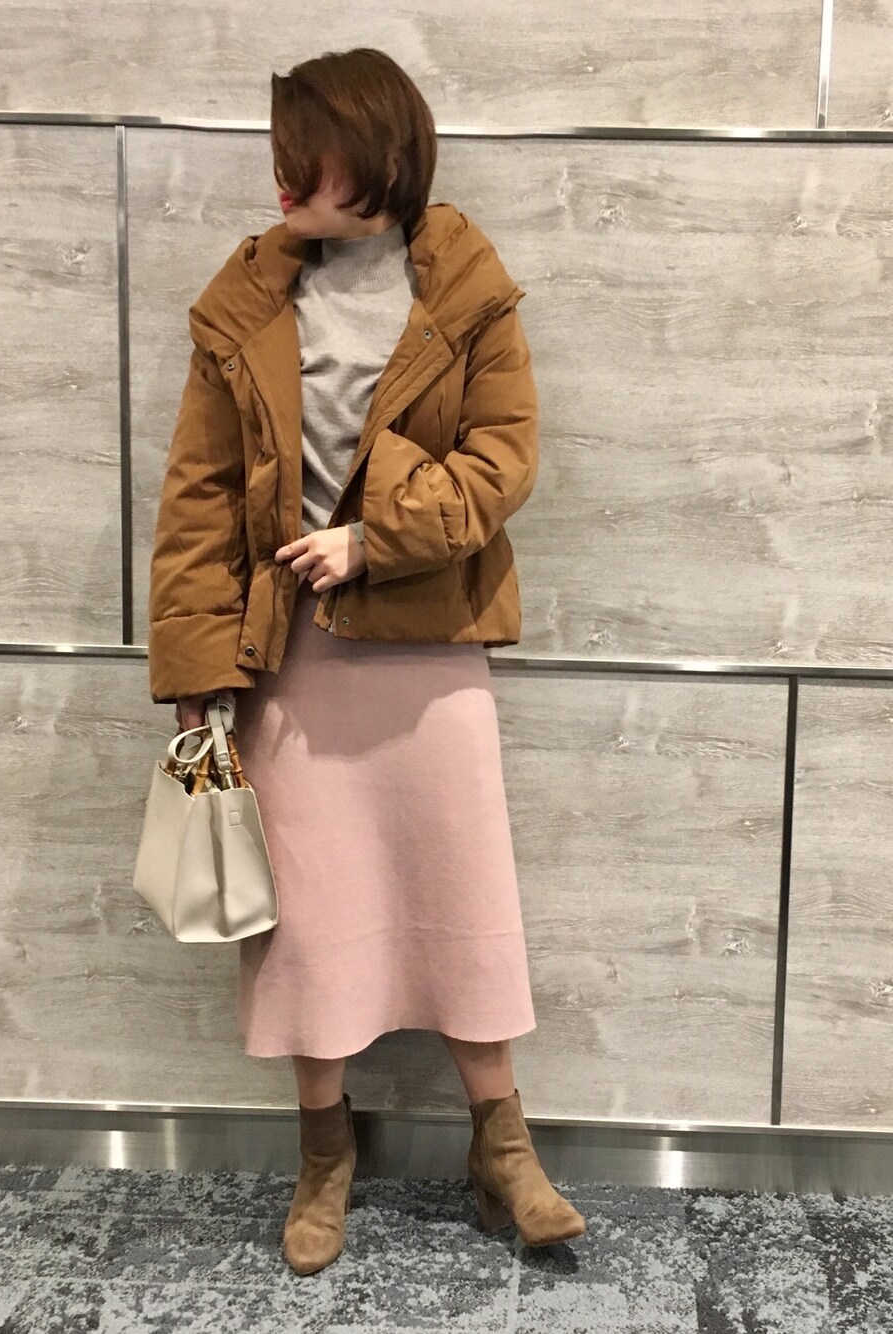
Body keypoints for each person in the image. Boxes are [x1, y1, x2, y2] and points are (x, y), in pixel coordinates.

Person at [146, 46, 587, 1275]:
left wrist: (370, 535)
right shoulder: (243, 299)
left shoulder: (467, 290)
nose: (284, 181)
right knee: (310, 917)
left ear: (381, 159)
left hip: (429, 642)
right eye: (281, 157)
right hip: (288, 655)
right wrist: (195, 672)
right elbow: (197, 496)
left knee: (463, 892)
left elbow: (503, 459)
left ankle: (503, 1147)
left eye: (310, 159)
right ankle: (324, 1156)